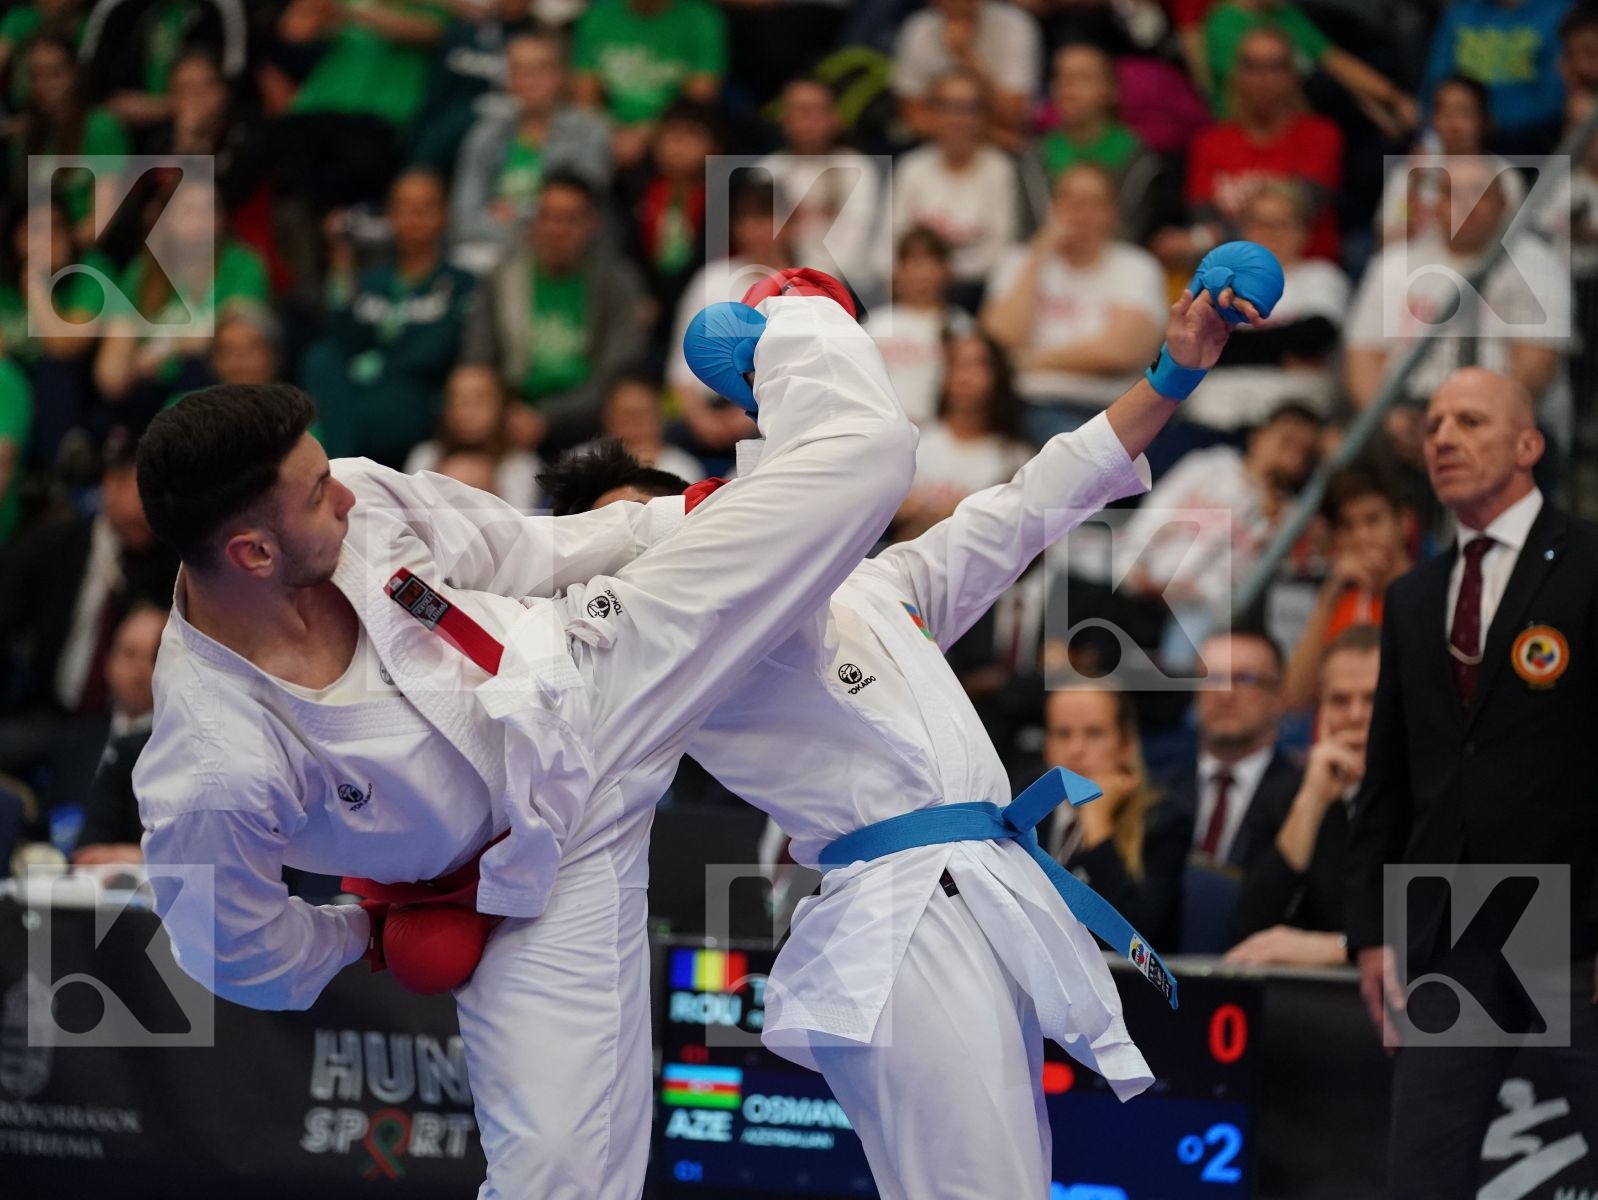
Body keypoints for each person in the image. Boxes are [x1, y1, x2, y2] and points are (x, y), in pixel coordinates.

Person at [131, 273, 916, 1199]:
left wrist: (668, 520)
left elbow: (517, 550)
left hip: (597, 676)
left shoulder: (353, 500)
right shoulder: (213, 766)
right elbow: (232, 951)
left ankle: (792, 313)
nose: (343, 495)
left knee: (869, 457)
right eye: (314, 494)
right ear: (252, 554)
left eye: (327, 470)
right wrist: (363, 939)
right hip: (519, 887)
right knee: (563, 1180)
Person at [546, 253, 1274, 1199]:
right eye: (621, 535)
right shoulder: (682, 646)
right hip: (898, 918)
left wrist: (1174, 372)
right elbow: (801, 501)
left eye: (655, 512)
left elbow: (1027, 507)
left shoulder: (872, 584)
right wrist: (795, 363)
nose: (655, 539)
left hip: (972, 894)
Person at [1346, 366, 1598, 1198]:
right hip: (1453, 921)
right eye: (1435, 424)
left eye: (1471, 421)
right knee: (1423, 1174)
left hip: (1574, 915)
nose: (1444, 437)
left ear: (1529, 445)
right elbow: (1388, 775)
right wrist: (1375, 932)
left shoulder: (1590, 564)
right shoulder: (1417, 595)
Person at [0, 439, 178, 816]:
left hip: (131, 719)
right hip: (49, 709)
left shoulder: (171, 565)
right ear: (110, 485)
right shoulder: (54, 544)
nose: (150, 510)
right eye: (142, 491)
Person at [462, 171, 648, 457]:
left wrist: (547, 417)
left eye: (570, 219)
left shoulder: (617, 283)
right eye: (548, 217)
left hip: (590, 419)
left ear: (592, 223)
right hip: (510, 416)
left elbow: (615, 370)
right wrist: (506, 410)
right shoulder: (503, 276)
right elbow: (479, 355)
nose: (557, 229)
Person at [1227, 623, 1380, 965]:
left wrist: (1341, 949)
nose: (1356, 715)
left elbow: (1446, 931)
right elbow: (1250, 929)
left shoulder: (1439, 796)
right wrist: (1312, 800)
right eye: (1340, 701)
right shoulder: (1287, 794)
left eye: (1373, 698)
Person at [981, 162, 1166, 445]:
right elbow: (999, 338)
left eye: (1093, 203)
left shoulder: (1136, 266)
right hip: (1031, 404)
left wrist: (1028, 361)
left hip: (1114, 410)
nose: (1080, 212)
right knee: (1067, 444)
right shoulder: (1020, 261)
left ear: (1112, 213)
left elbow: (1121, 352)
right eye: (1069, 200)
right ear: (1052, 207)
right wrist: (1040, 253)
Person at [304, 170, 478, 468]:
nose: (414, 217)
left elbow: (437, 352)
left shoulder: (460, 283)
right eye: (404, 208)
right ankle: (343, 466)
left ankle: (336, 467)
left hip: (413, 399)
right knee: (319, 358)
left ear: (444, 214)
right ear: (391, 215)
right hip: (359, 395)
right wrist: (342, 273)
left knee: (339, 418)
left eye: (425, 208)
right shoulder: (373, 279)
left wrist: (380, 363)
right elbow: (341, 339)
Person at [1154, 27, 1344, 271]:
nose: (1264, 78)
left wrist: (1204, 237)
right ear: (1237, 75)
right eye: (1252, 66)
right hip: (1232, 273)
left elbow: (1293, 215)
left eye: (1275, 66)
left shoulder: (1321, 136)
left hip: (1305, 273)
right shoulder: (1209, 142)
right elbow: (1202, 218)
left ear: (1293, 75)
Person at [1181, 181, 1350, 441]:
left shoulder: (1322, 276)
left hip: (1293, 419)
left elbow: (1316, 336)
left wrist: (1228, 345)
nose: (1272, 234)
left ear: (1303, 231)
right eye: (1261, 223)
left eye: (1283, 224)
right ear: (1243, 230)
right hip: (1211, 417)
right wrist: (1283, 353)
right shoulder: (1214, 280)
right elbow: (1193, 344)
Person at [1040, 687, 1189, 947]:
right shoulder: (1026, 814)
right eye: (1062, 734)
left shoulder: (1163, 821)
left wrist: (1097, 822)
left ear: (1126, 747)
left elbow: (1134, 938)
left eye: (1094, 733)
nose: (1076, 749)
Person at [448, 29, 611, 262]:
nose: (532, 80)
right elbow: (464, 217)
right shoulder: (485, 135)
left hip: (567, 253)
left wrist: (516, 216)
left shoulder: (590, 132)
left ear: (560, 76)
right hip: (495, 248)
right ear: (509, 80)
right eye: (521, 71)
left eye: (541, 69)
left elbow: (581, 213)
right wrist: (521, 228)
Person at [1154, 629, 1304, 871]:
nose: (1225, 694)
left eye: (1245, 679)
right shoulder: (1156, 788)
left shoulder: (1304, 798)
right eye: (1211, 679)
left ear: (1278, 696)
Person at [1281, 467, 1411, 713]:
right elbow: (1294, 699)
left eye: (1373, 520)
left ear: (1403, 523)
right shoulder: (1337, 600)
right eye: (1348, 526)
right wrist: (1330, 594)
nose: (1361, 536)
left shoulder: (1435, 593)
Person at [890, 68, 1022, 303]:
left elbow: (1001, 249)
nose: (958, 118)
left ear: (984, 116)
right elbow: (892, 243)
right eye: (947, 107)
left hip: (977, 291)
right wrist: (919, 277)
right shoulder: (911, 168)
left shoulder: (1000, 169)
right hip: (913, 290)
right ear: (932, 114)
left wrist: (941, 275)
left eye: (969, 108)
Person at [757, 77, 887, 305]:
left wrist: (812, 284)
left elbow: (855, 243)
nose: (806, 120)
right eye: (798, 110)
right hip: (781, 283)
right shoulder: (767, 172)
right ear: (783, 118)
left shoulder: (856, 168)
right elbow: (760, 242)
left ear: (834, 118)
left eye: (815, 110)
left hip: (845, 287)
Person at [896, 331, 1032, 541]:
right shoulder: (913, 440)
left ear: (998, 376)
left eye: (978, 365)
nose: (965, 375)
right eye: (956, 364)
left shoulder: (1015, 458)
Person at [570, 0, 726, 172]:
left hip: (671, 131)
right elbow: (585, 95)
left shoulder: (701, 18)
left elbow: (699, 97)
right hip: (609, 132)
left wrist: (646, 134)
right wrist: (610, 133)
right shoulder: (598, 16)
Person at [72, 602, 167, 865]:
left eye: (153, 657)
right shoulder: (71, 741)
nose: (140, 670)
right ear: (108, 659)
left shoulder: (174, 747)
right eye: (129, 653)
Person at [1420, 0, 1573, 152]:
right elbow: (1435, 86)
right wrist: (1429, 141)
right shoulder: (1461, 13)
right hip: (1461, 134)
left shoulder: (1558, 12)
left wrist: (1485, 122)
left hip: (1530, 140)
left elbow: (1554, 98)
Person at [892, 0, 1043, 151]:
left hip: (1004, 152)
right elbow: (914, 118)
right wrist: (996, 136)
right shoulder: (918, 29)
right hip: (936, 147)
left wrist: (966, 57)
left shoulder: (1015, 26)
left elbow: (1013, 115)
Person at [862, 226, 975, 427]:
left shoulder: (961, 325)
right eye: (914, 262)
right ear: (898, 271)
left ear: (946, 270)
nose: (922, 274)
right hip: (880, 429)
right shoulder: (875, 324)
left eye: (930, 262)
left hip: (939, 436)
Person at [403, 364, 543, 511]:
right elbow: (410, 517)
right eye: (456, 399)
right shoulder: (425, 456)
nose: (466, 409)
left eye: (479, 399)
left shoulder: (521, 464)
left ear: (502, 406)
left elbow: (521, 526)